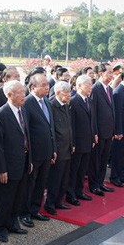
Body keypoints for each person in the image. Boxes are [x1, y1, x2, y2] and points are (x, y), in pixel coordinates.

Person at [0, 80, 31, 243]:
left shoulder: (23, 111)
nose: (24, 95)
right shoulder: (1, 115)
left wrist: (30, 160)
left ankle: (12, 223)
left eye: (24, 91)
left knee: (18, 197)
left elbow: (27, 137)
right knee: (6, 199)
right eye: (20, 92)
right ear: (9, 95)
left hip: (23, 162)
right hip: (8, 165)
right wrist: (2, 169)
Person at [20, 74, 56, 228]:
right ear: (33, 87)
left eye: (47, 84)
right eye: (43, 85)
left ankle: (35, 209)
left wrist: (54, 148)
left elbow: (51, 127)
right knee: (30, 184)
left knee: (41, 183)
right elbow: (26, 131)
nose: (47, 87)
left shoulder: (47, 102)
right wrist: (29, 155)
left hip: (47, 152)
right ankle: (25, 213)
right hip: (34, 153)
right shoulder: (27, 103)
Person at [44, 81, 73, 215]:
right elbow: (52, 130)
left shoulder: (66, 106)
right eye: (66, 93)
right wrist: (54, 149)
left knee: (64, 178)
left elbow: (69, 127)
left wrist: (72, 143)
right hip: (58, 148)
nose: (69, 95)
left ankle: (59, 201)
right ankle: (50, 204)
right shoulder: (51, 105)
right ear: (57, 93)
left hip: (67, 147)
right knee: (55, 179)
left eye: (69, 92)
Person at [87, 63, 116, 195]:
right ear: (101, 73)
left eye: (112, 73)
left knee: (104, 159)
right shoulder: (95, 89)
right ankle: (94, 185)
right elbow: (93, 114)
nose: (111, 75)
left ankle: (100, 182)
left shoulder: (109, 89)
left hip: (109, 131)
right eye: (109, 72)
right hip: (99, 132)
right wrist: (95, 133)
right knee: (96, 160)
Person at [68, 75, 98, 202]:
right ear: (79, 86)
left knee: (82, 169)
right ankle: (70, 194)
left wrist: (94, 135)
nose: (90, 88)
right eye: (88, 85)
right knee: (74, 170)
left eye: (91, 85)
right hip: (78, 142)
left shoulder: (89, 101)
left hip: (88, 141)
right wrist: (73, 143)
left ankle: (79, 191)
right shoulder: (73, 101)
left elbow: (92, 120)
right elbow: (72, 125)